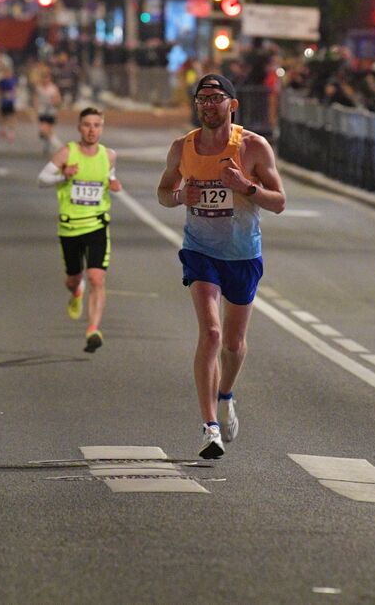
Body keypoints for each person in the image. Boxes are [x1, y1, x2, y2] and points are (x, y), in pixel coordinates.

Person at [156, 74, 286, 460]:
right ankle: (209, 426)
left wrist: (243, 185)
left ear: (233, 104)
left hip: (243, 253)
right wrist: (182, 196)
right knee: (211, 334)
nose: (208, 105)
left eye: (216, 98)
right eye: (202, 99)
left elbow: (278, 202)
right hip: (200, 251)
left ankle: (226, 394)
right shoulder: (183, 147)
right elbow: (164, 194)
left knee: (233, 344)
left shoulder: (253, 147)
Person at [38, 107, 123, 353]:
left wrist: (113, 183)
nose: (92, 130)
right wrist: (62, 176)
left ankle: (93, 329)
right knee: (74, 278)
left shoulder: (109, 155)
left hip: (96, 224)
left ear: (102, 128)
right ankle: (76, 291)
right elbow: (41, 179)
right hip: (70, 227)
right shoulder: (67, 152)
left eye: (97, 125)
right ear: (79, 127)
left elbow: (109, 175)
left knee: (97, 277)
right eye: (87, 124)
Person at [33, 70, 62, 156]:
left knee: (47, 130)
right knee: (44, 131)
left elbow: (58, 99)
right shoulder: (39, 88)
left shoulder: (53, 88)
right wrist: (35, 108)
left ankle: (59, 146)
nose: (45, 80)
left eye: (47, 78)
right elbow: (35, 98)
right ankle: (48, 147)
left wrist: (54, 102)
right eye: (44, 78)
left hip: (51, 111)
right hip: (42, 111)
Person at [0, 67, 19, 141]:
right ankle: (3, 129)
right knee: (3, 117)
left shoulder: (13, 81)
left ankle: (11, 132)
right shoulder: (2, 82)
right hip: (4, 101)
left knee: (11, 117)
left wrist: (13, 96)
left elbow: (15, 91)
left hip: (11, 102)